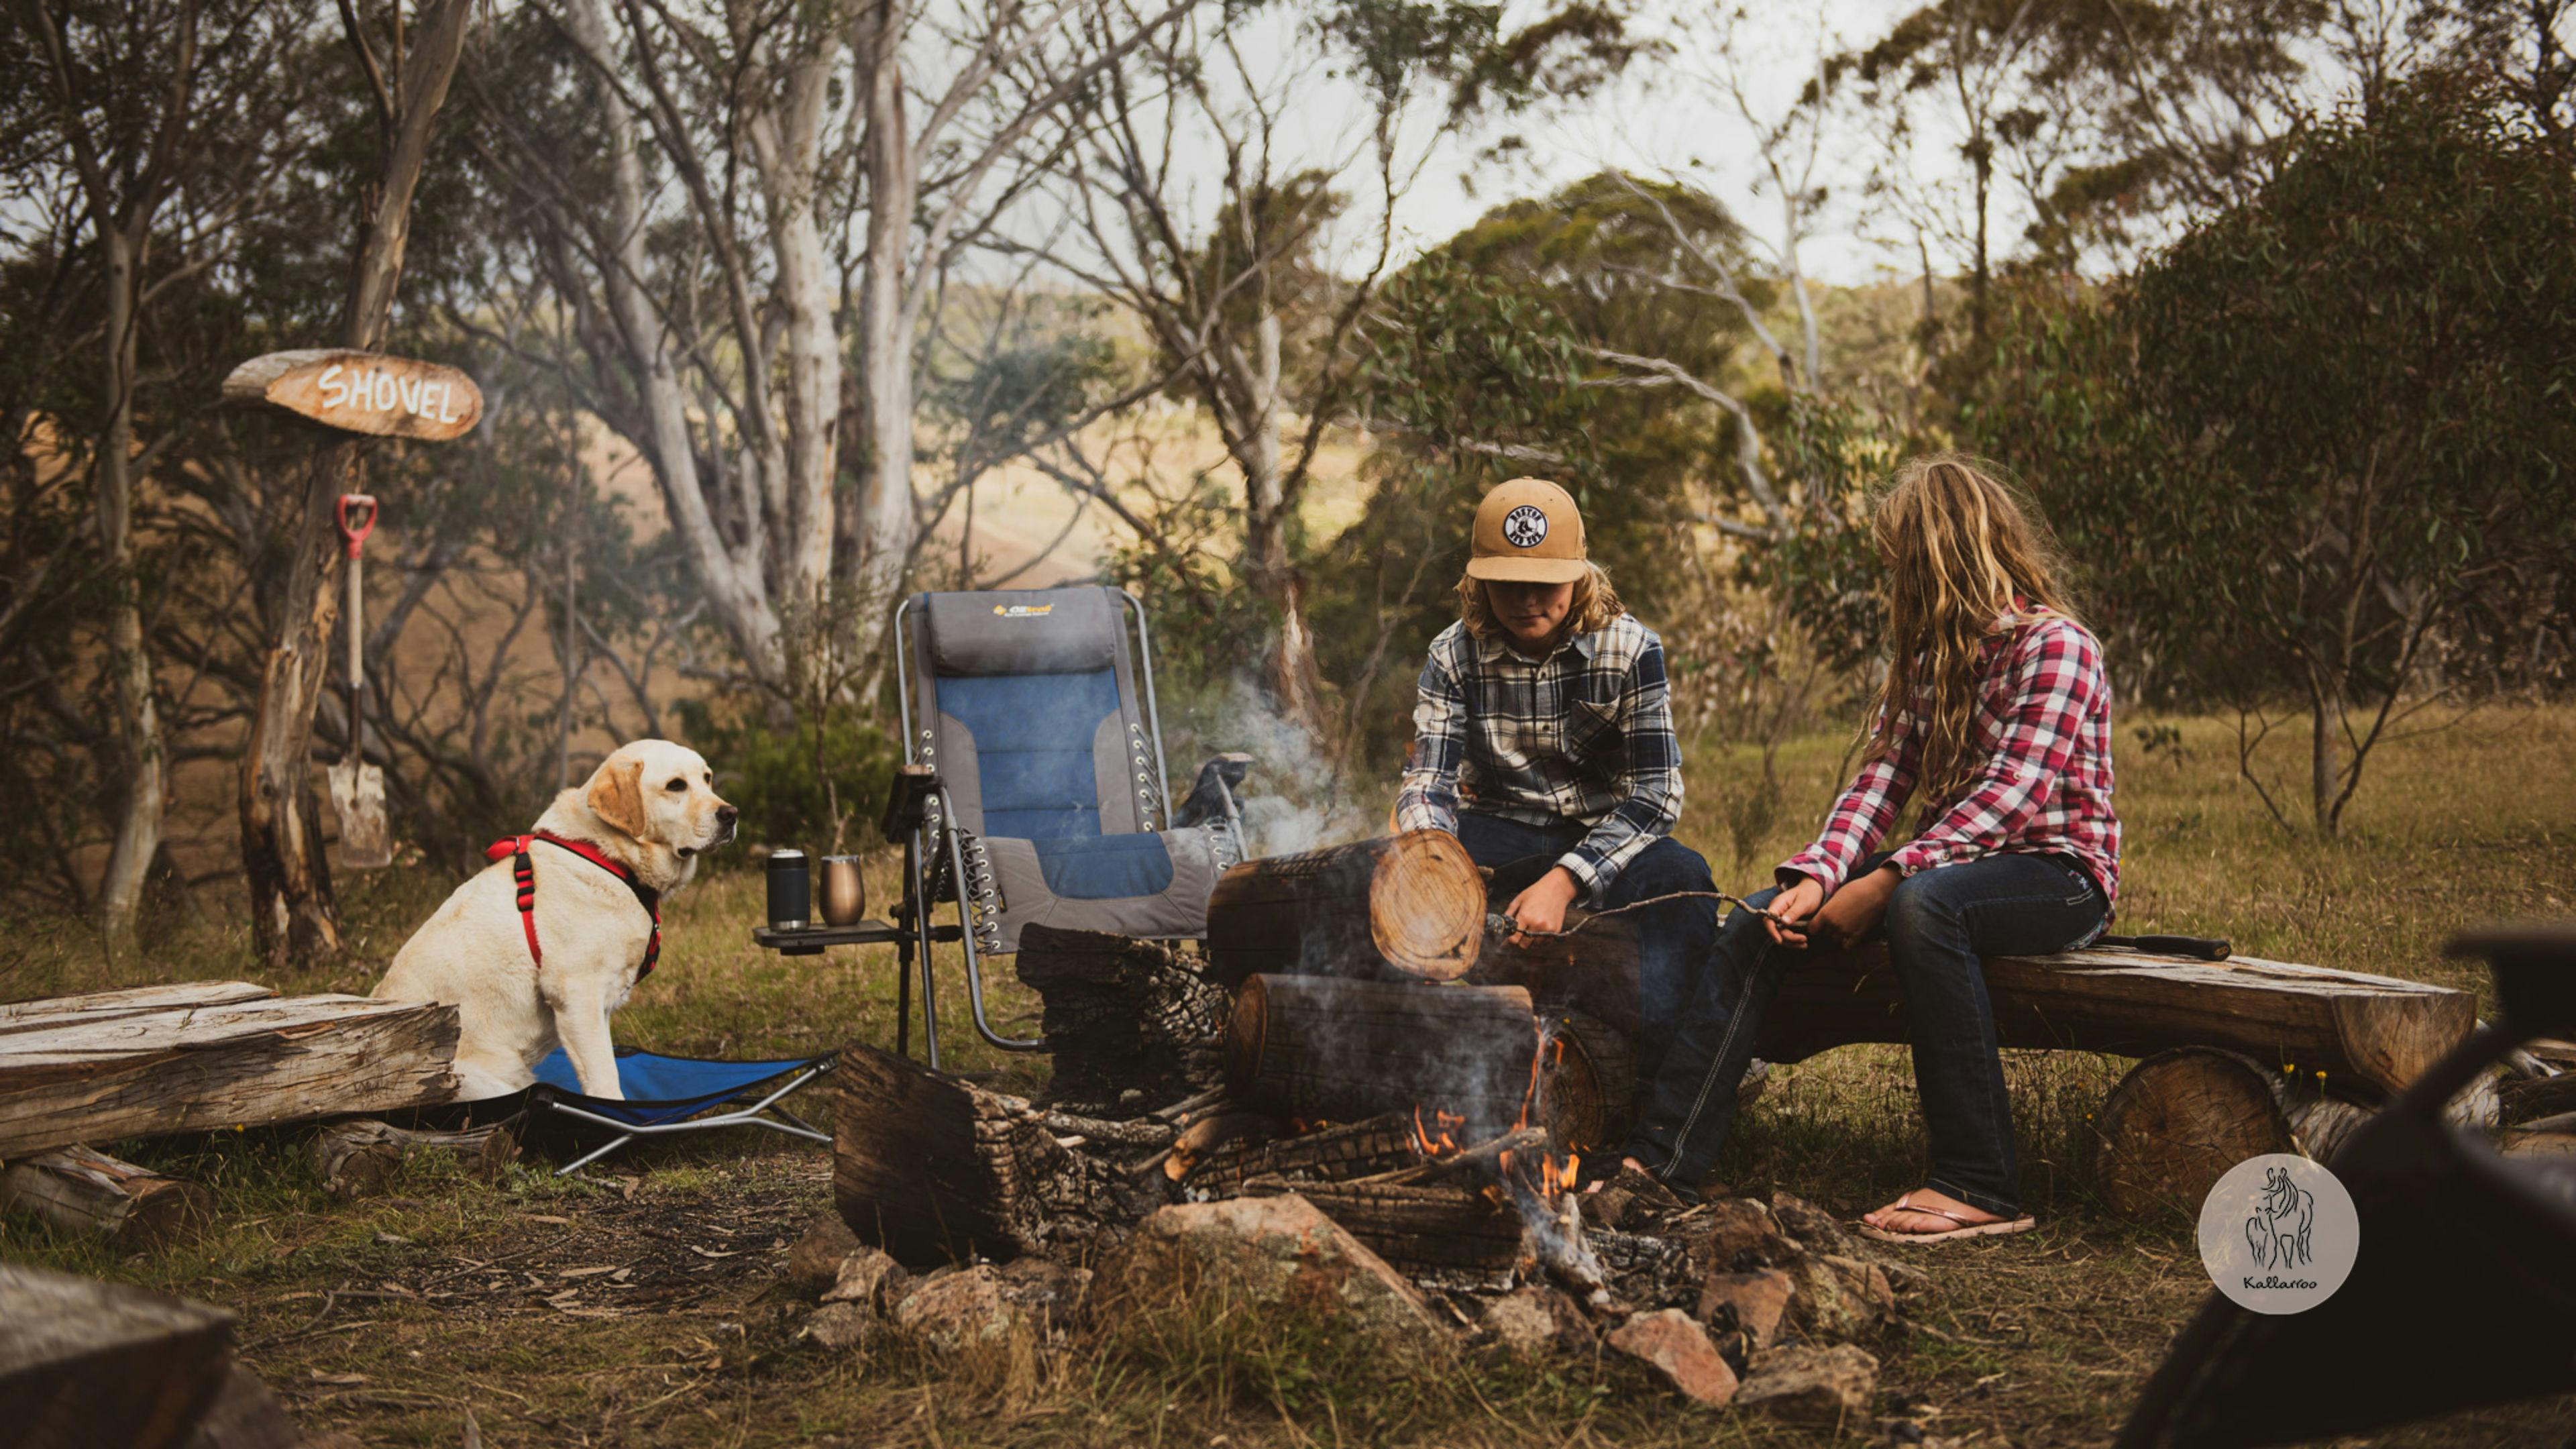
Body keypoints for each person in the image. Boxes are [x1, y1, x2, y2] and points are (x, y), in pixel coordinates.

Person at [1615, 455, 2119, 1241]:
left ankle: (1980, 1182)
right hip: (1948, 870)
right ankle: (1661, 1164)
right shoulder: (1928, 661)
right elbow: (1881, 781)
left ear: (1944, 559)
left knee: (1925, 908)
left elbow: (2009, 799)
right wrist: (1819, 877)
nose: (1896, 586)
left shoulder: (2057, 647)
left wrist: (1885, 881)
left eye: (1901, 567)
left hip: (2057, 876)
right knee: (1756, 921)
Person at [1393, 478, 1719, 1079]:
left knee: (1684, 878)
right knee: (1386, 875)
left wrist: (1566, 882)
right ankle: (1410, 1069)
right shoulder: (1452, 654)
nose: (1525, 600)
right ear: (1479, 583)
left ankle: (1666, 1092)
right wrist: (1432, 855)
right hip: (1499, 831)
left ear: (1579, 576)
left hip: (1601, 834)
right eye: (1507, 584)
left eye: (1544, 584)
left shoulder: (1631, 649)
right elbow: (1429, 782)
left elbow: (1656, 794)